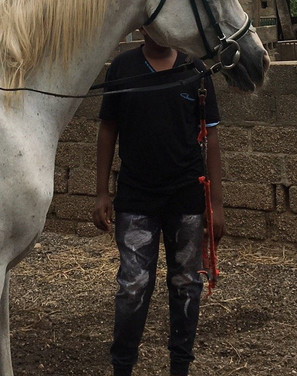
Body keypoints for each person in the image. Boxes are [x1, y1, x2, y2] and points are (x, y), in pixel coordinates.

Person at [92, 27, 224, 376]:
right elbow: (108, 129)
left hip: (186, 198)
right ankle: (122, 367)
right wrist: (102, 192)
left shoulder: (195, 71)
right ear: (143, 26)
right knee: (133, 286)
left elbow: (210, 137)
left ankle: (180, 366)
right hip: (137, 198)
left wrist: (216, 204)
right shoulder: (122, 69)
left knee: (187, 284)